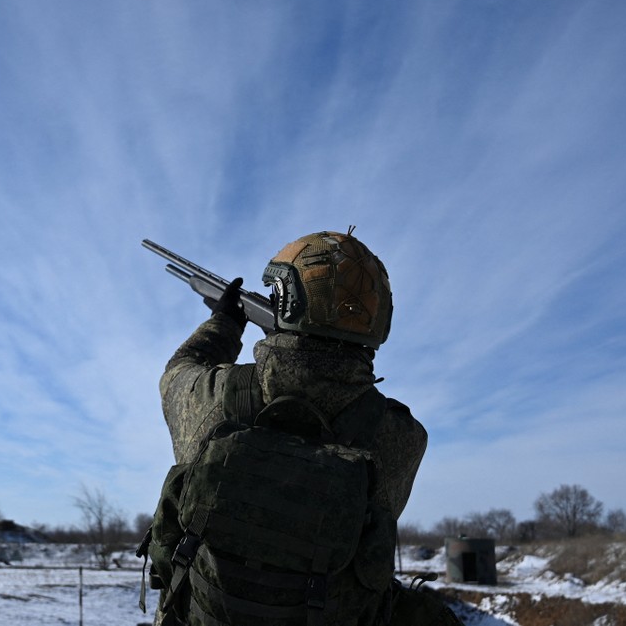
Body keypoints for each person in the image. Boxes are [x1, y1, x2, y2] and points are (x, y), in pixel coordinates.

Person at [149, 229, 428, 626]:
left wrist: (225, 321)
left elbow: (178, 373)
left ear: (288, 303)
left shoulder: (216, 398)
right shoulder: (403, 437)